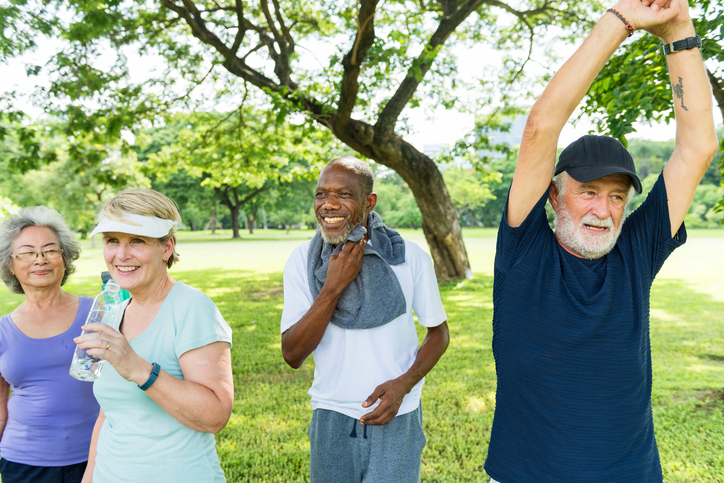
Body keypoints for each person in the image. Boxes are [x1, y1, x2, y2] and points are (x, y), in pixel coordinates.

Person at [485, 0, 719, 481]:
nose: (602, 209)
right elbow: (539, 128)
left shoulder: (635, 252)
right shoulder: (523, 250)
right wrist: (621, 22)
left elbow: (698, 147)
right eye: (588, 192)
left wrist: (679, 27)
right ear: (553, 196)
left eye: (616, 196)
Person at [280, 156, 450, 483]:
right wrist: (332, 287)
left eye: (343, 194)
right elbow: (292, 354)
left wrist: (404, 385)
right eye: (320, 194)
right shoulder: (301, 261)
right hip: (331, 415)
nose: (328, 204)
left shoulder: (409, 258)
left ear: (368, 201)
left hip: (398, 415)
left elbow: (438, 334)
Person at [75, 189, 234, 482]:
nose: (121, 255)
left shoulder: (192, 308)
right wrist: (88, 477)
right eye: (112, 241)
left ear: (166, 247)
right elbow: (108, 414)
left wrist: (138, 369)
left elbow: (215, 415)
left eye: (137, 241)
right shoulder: (115, 311)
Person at [0, 206, 98, 483]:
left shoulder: (98, 313)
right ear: (10, 264)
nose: (39, 260)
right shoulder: (1, 330)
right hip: (23, 463)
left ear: (64, 259)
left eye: (50, 250)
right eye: (27, 252)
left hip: (97, 456)